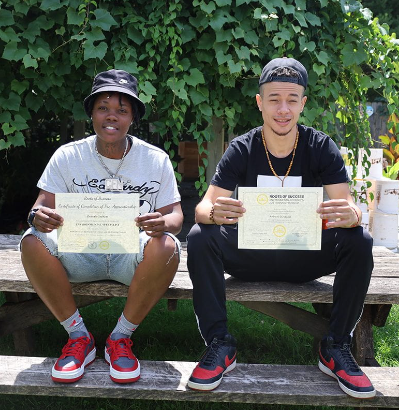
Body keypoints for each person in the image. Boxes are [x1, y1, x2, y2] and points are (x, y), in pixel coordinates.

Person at [186, 57, 375, 399]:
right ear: (260, 103)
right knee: (201, 236)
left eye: (292, 100)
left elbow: (346, 206)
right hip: (251, 254)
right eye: (274, 99)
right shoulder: (242, 148)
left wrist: (354, 215)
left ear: (303, 103)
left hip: (305, 255)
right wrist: (213, 212)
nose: (283, 109)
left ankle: (335, 345)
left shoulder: (320, 146)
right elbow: (202, 207)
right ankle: (219, 343)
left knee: (359, 239)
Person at [20, 69, 183, 384]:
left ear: (132, 117)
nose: (113, 116)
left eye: (122, 110)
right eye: (103, 107)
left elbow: (176, 216)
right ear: (92, 114)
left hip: (130, 257)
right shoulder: (67, 156)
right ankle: (78, 337)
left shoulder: (156, 159)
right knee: (31, 241)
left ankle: (119, 339)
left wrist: (163, 222)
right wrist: (37, 217)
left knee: (167, 245)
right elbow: (40, 205)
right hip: (78, 254)